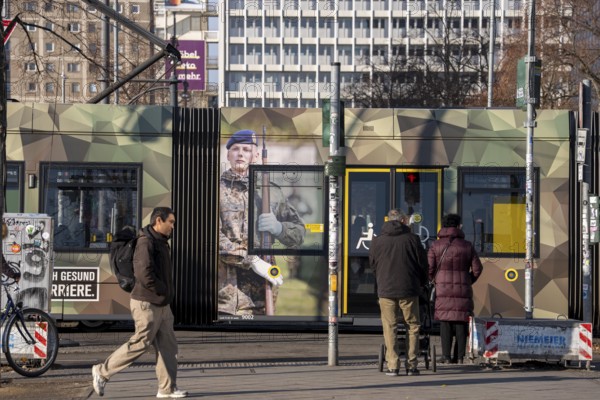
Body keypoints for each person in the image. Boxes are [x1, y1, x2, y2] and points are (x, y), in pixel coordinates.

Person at [92, 207, 187, 398]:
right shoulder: (146, 242)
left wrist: (166, 295)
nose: (173, 226)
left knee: (168, 346)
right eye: (171, 222)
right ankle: (102, 371)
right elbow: (144, 275)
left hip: (162, 304)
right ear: (158, 221)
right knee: (140, 343)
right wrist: (163, 289)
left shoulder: (161, 242)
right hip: (146, 303)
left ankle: (166, 389)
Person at [219, 129, 305, 315]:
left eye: (246, 149)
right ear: (228, 154)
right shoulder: (215, 189)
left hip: (262, 292)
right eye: (235, 149)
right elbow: (210, 234)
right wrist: (253, 260)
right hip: (225, 294)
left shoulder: (272, 192)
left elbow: (299, 233)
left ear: (256, 155)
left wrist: (279, 228)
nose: (240, 153)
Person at [369, 208, 428, 376]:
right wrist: (421, 283)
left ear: (387, 221)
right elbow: (422, 265)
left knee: (390, 326)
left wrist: (381, 280)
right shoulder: (413, 239)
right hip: (409, 289)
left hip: (386, 290)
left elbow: (373, 265)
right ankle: (412, 365)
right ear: (403, 221)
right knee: (413, 326)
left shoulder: (377, 241)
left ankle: (393, 365)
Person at [428, 213, 483, 364]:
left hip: (443, 289)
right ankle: (459, 357)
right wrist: (467, 281)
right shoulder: (467, 245)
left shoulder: (435, 246)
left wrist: (436, 281)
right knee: (461, 321)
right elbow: (478, 269)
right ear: (458, 226)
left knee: (445, 321)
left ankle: (446, 356)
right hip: (462, 289)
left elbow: (429, 268)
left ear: (444, 226)